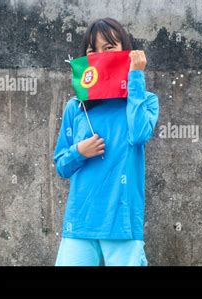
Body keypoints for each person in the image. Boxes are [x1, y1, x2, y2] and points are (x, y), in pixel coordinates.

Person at [53, 17, 160, 266]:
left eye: (109, 47)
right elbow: (61, 165)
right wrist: (79, 151)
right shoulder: (76, 107)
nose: (101, 55)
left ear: (127, 50)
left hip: (122, 222)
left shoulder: (146, 100)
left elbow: (139, 134)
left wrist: (135, 78)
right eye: (92, 50)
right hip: (80, 222)